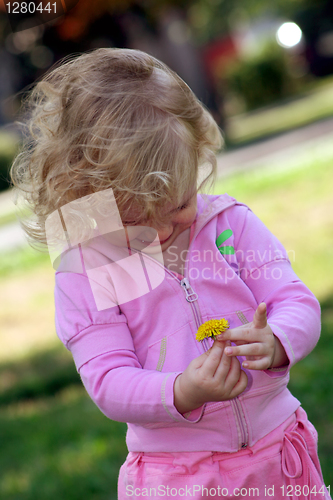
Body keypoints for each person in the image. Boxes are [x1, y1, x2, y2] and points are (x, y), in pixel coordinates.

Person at [10, 48, 330, 499]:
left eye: (179, 205)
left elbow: (295, 300)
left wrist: (279, 339)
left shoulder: (228, 225)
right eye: (135, 219)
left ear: (197, 154)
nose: (160, 230)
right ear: (87, 194)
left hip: (278, 457)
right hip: (180, 476)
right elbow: (107, 376)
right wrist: (182, 390)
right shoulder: (93, 261)